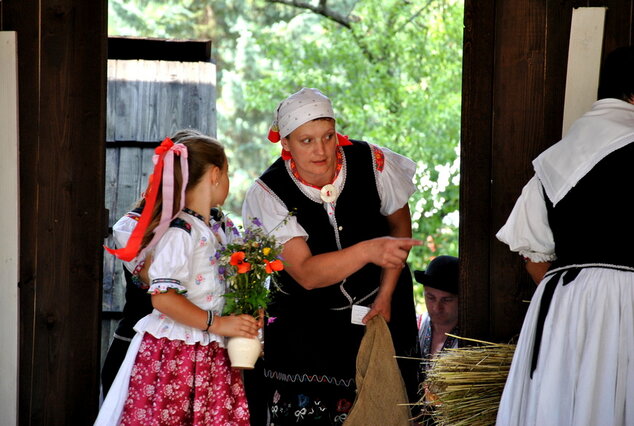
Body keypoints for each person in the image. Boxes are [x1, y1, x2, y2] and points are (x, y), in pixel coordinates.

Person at [242, 88, 422, 424]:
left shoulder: (373, 162)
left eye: (327, 136)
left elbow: (400, 231)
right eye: (306, 141)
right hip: (307, 330)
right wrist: (369, 249)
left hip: (381, 310)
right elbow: (308, 274)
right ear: (286, 144)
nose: (321, 149)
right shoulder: (268, 193)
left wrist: (386, 293)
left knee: (387, 408)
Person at [495, 46, 634, 426]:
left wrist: (576, 298)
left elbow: (534, 256)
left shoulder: (553, 160)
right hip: (624, 302)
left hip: (561, 302)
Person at [95, 134, 261, 425]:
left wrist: (245, 312)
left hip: (208, 352)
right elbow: (162, 297)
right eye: (228, 174)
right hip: (176, 356)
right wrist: (218, 323)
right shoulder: (178, 232)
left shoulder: (217, 229)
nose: (229, 181)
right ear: (215, 174)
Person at [100, 129, 206, 397]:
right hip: (137, 353)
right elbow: (158, 281)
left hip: (197, 357)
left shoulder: (213, 224)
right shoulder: (130, 227)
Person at [413, 255, 459, 425]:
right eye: (430, 297)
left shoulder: (470, 339)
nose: (436, 307)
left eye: (446, 300)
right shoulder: (415, 328)